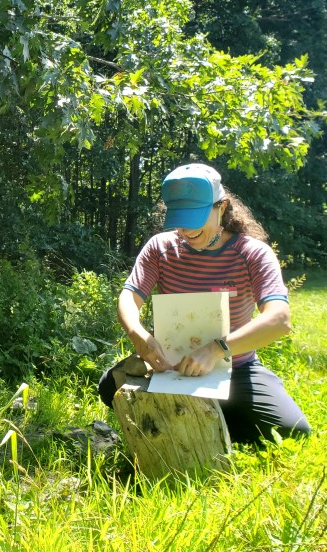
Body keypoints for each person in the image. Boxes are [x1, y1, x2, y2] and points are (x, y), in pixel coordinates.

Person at [98, 163, 311, 444]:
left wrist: (216, 350)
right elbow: (129, 296)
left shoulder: (252, 253)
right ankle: (208, 421)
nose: (186, 229)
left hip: (237, 368)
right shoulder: (160, 248)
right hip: (171, 366)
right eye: (179, 218)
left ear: (221, 208)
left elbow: (279, 320)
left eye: (195, 217)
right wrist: (138, 336)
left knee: (294, 431)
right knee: (107, 388)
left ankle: (215, 422)